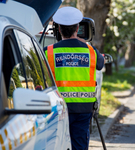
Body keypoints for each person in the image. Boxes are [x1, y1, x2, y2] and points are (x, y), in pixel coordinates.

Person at [44, 6, 104, 150]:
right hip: (84, 108)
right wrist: (86, 45)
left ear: (58, 29)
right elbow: (101, 64)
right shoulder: (90, 51)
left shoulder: (49, 52)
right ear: (77, 28)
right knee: (79, 146)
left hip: (58, 108)